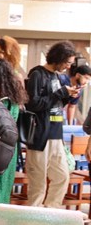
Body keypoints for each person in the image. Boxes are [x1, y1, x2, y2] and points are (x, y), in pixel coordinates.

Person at [23, 41, 77, 208]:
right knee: (38, 182)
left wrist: (70, 95)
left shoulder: (59, 77)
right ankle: (32, 218)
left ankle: (50, 212)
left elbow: (56, 102)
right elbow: (33, 104)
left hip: (56, 134)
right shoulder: (37, 74)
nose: (68, 67)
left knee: (62, 176)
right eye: (67, 62)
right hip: (40, 135)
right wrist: (61, 92)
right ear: (59, 58)